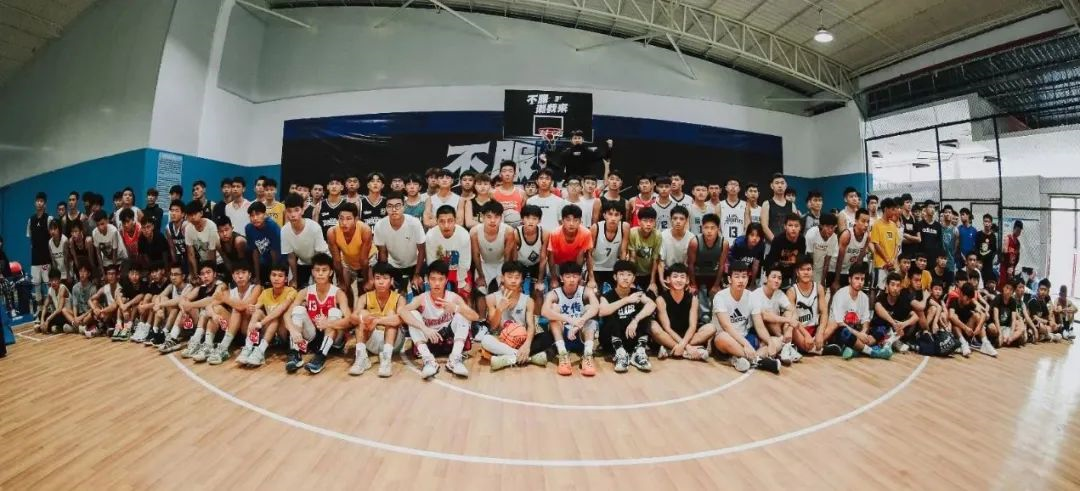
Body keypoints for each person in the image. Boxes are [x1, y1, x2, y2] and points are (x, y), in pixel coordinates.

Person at [401, 259, 481, 378]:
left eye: (440, 279)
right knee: (412, 314)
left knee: (461, 313)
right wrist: (424, 328)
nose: (437, 283)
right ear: (428, 280)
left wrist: (456, 308)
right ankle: (429, 361)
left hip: (449, 341)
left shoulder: (453, 297)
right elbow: (402, 311)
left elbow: (475, 316)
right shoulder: (421, 298)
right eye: (433, 279)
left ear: (446, 280)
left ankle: (454, 360)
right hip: (430, 340)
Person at [283, 253, 352, 374]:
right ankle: (295, 354)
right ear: (312, 272)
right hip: (313, 336)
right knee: (298, 310)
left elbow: (349, 320)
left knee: (335, 312)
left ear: (330, 272)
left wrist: (329, 323)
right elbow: (286, 315)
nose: (320, 273)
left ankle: (321, 357)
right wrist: (293, 330)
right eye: (317, 270)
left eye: (324, 270)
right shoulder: (305, 292)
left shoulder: (338, 293)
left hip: (334, 339)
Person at [478, 261, 551, 371]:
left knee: (547, 337)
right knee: (486, 340)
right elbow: (493, 327)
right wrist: (499, 309)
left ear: (522, 279)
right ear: (502, 278)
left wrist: (526, 345)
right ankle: (527, 358)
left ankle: (507, 358)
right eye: (510, 277)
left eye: (517, 277)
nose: (513, 280)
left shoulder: (528, 300)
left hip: (521, 340)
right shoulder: (491, 298)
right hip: (502, 340)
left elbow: (531, 326)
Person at [710, 262, 781, 374]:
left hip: (745, 338)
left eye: (744, 277)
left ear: (748, 279)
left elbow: (759, 326)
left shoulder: (752, 296)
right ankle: (759, 360)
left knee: (777, 341)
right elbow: (727, 327)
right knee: (721, 337)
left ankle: (741, 359)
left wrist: (770, 342)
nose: (741, 280)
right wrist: (745, 345)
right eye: (737, 276)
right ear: (729, 279)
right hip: (727, 340)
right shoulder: (720, 297)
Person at [541, 262, 601, 376]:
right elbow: (544, 311)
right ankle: (562, 354)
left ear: (579, 277)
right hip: (562, 334)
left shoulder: (586, 291)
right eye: (568, 276)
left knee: (589, 310)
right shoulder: (554, 293)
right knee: (554, 309)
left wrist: (578, 324)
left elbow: (596, 307)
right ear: (561, 278)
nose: (572, 280)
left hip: (580, 334)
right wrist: (570, 320)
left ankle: (587, 355)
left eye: (575, 276)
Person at [821, 264, 892, 360]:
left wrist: (863, 332)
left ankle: (855, 349)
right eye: (857, 279)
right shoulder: (840, 294)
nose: (860, 282)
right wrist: (859, 335)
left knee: (882, 326)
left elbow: (866, 321)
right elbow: (839, 323)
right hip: (840, 333)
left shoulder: (864, 297)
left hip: (856, 333)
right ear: (850, 279)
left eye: (862, 279)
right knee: (844, 331)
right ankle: (872, 352)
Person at [349, 262, 407, 377]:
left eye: (385, 278)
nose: (381, 282)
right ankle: (361, 358)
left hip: (394, 342)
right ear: (373, 280)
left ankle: (386, 361)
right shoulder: (364, 297)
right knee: (362, 314)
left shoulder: (399, 298)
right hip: (372, 340)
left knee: (392, 315)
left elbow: (399, 320)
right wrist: (364, 319)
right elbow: (352, 318)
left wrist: (377, 320)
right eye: (377, 278)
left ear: (391, 280)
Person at [598, 260, 656, 373]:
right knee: (611, 315)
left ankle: (639, 352)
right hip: (611, 340)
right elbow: (602, 311)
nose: (625, 278)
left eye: (629, 275)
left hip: (631, 337)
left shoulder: (638, 293)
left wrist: (636, 320)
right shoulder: (606, 296)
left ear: (633, 278)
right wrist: (627, 300)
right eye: (621, 274)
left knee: (645, 313)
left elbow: (652, 305)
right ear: (615, 277)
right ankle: (620, 354)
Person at [237, 263, 296, 368]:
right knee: (257, 312)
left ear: (286, 279)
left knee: (275, 317)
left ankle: (260, 351)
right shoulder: (265, 292)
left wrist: (261, 323)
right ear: (269, 276)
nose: (276, 278)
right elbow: (257, 306)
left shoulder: (291, 291)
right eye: (273, 275)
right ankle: (248, 347)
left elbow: (281, 309)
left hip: (283, 334)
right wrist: (252, 308)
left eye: (280, 276)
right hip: (269, 333)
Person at [203, 263, 262, 365]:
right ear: (233, 276)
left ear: (249, 275)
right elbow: (208, 306)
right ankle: (208, 346)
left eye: (243, 273)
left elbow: (243, 306)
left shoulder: (256, 288)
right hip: (234, 332)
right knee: (217, 309)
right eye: (237, 273)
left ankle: (224, 347)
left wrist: (225, 298)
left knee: (237, 309)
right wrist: (214, 315)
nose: (240, 276)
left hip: (250, 332)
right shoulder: (230, 292)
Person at [652, 263, 713, 360]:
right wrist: (687, 347)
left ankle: (671, 350)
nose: (679, 280)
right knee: (653, 327)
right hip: (668, 335)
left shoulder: (693, 299)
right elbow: (667, 328)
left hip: (687, 335)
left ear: (687, 280)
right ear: (668, 279)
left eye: (682, 277)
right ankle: (686, 352)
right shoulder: (661, 300)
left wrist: (683, 343)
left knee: (711, 328)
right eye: (675, 276)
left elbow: (692, 326)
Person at [375, 191, 427, 294]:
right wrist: (386, 275)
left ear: (404, 207)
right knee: (396, 294)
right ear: (386, 208)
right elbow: (382, 253)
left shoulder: (414, 223)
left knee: (419, 290)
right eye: (390, 206)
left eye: (397, 206)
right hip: (394, 264)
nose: (394, 209)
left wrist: (417, 274)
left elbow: (422, 251)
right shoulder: (380, 225)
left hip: (415, 263)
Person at [281, 193, 330, 289]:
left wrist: (316, 277)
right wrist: (295, 279)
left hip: (323, 260)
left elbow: (319, 254)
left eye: (296, 210)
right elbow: (291, 257)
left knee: (319, 287)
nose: (293, 215)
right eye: (289, 211)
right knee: (298, 288)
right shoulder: (284, 230)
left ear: (303, 210)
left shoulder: (314, 227)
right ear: (286, 212)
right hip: (303, 262)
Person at [753, 264, 800, 365]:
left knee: (788, 313)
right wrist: (789, 321)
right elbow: (765, 316)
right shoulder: (756, 294)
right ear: (766, 278)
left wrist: (790, 330)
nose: (777, 280)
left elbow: (794, 311)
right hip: (760, 330)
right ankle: (786, 345)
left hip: (776, 331)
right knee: (770, 317)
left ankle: (785, 345)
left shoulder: (779, 293)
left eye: (779, 278)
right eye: (773, 277)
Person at [424, 205, 473, 299]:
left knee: (464, 296)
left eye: (450, 221)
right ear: (436, 221)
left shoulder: (463, 235)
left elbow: (465, 264)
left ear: (455, 220)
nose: (446, 225)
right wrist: (442, 281)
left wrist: (457, 283)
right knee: (433, 297)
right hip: (439, 273)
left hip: (459, 271)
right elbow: (431, 263)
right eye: (442, 221)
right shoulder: (430, 235)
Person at [325, 202, 371, 296]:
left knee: (365, 289)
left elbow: (364, 260)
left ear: (356, 219)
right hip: (348, 261)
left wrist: (367, 280)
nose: (344, 223)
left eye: (348, 218)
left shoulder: (365, 230)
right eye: (341, 218)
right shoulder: (332, 232)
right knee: (343, 290)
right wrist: (341, 281)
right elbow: (337, 260)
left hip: (368, 261)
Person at [471, 201, 516, 297]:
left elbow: (507, 255)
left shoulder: (508, 231)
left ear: (501, 218)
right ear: (482, 217)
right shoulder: (474, 232)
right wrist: (481, 276)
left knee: (503, 292)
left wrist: (504, 275)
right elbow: (476, 255)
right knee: (480, 292)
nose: (492, 220)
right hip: (483, 264)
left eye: (496, 217)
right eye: (489, 217)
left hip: (502, 264)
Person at [788, 257, 828, 355]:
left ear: (812, 271)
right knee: (790, 326)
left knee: (833, 322)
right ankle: (819, 349)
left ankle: (813, 347)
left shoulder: (819, 288)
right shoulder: (792, 291)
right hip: (800, 330)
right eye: (802, 270)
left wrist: (820, 332)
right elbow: (793, 319)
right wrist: (806, 335)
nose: (806, 272)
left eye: (809, 269)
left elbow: (824, 313)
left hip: (814, 329)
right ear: (797, 272)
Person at [147, 264, 191, 348]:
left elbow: (179, 300)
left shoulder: (189, 287)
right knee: (162, 298)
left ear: (183, 276)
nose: (173, 277)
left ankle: (165, 332)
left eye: (176, 274)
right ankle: (155, 330)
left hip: (185, 323)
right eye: (171, 274)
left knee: (175, 307)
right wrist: (158, 310)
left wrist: (159, 305)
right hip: (172, 321)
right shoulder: (171, 286)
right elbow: (159, 296)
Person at [512, 204, 549, 306]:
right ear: (522, 219)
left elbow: (543, 259)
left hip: (536, 265)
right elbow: (514, 258)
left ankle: (537, 313)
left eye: (534, 218)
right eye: (527, 218)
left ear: (539, 220)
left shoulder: (544, 233)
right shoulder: (516, 233)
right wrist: (516, 278)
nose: (531, 221)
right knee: (516, 289)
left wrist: (540, 281)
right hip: (520, 265)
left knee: (538, 291)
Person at [872, 272, 918, 353]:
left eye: (898, 285)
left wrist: (904, 324)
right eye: (892, 285)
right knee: (879, 332)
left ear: (901, 287)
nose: (895, 288)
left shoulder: (903, 300)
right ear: (887, 286)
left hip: (896, 331)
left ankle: (892, 341)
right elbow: (878, 308)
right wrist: (894, 323)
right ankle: (889, 342)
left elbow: (915, 317)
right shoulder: (881, 297)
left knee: (910, 323)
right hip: (879, 328)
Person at [590, 201, 629, 295]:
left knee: (616, 294)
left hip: (613, 269)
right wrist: (591, 278)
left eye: (616, 215)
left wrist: (621, 274)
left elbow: (623, 252)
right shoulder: (595, 228)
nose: (613, 218)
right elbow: (589, 254)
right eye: (610, 214)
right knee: (595, 293)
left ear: (621, 216)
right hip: (596, 268)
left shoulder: (625, 227)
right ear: (604, 215)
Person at [949, 282, 997, 357]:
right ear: (961, 293)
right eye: (967, 299)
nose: (968, 301)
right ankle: (963, 343)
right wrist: (965, 328)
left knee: (977, 316)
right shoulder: (954, 301)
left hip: (968, 332)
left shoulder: (970, 302)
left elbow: (983, 314)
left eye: (969, 299)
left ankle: (985, 343)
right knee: (955, 318)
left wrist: (979, 327)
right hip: (956, 333)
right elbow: (951, 316)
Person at [244, 201, 283, 286]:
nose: (255, 218)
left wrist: (273, 276)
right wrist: (257, 277)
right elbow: (255, 252)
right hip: (264, 260)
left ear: (265, 214)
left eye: (258, 214)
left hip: (280, 260)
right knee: (247, 250)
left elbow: (274, 253)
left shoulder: (272, 227)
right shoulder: (248, 228)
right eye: (252, 215)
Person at [833, 208, 870, 292]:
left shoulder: (867, 237)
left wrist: (857, 277)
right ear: (856, 221)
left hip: (849, 270)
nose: (866, 224)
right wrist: (836, 281)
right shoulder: (847, 235)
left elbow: (859, 260)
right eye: (863, 221)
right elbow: (839, 259)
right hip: (836, 269)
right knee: (836, 294)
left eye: (868, 222)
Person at [763, 213, 804, 287]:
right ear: (785, 226)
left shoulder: (802, 240)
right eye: (790, 225)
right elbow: (772, 261)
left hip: (792, 273)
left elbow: (800, 261)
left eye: (796, 226)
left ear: (800, 227)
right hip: (777, 270)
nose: (793, 228)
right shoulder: (778, 240)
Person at [626, 206, 661, 293]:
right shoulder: (633, 232)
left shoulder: (657, 235)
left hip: (650, 273)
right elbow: (632, 258)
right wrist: (632, 279)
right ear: (639, 221)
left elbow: (655, 259)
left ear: (655, 222)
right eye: (645, 221)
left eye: (651, 221)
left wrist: (652, 281)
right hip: (636, 273)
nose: (648, 224)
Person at [28, 192, 53, 309]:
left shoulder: (49, 219)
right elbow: (30, 237)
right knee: (36, 285)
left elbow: (52, 237)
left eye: (41, 201)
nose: (39, 203)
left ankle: (51, 308)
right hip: (35, 259)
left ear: (45, 204)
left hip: (46, 259)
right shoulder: (31, 220)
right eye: (37, 201)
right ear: (35, 203)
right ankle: (39, 309)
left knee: (49, 285)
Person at [870, 198, 901, 292]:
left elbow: (897, 245)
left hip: (892, 265)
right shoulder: (877, 224)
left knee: (891, 290)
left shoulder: (893, 225)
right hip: (880, 265)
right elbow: (876, 244)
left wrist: (893, 260)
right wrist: (887, 260)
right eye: (892, 209)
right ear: (886, 209)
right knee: (877, 290)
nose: (894, 212)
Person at [724, 222, 766, 290]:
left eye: (758, 236)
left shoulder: (761, 245)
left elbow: (756, 265)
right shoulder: (739, 243)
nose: (755, 238)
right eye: (752, 235)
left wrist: (752, 284)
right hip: (732, 263)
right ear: (747, 235)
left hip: (747, 267)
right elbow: (734, 264)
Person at [182, 201, 219, 277]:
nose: (192, 217)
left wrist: (210, 274)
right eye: (190, 215)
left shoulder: (211, 226)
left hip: (218, 262)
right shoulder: (188, 229)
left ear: (201, 213)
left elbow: (212, 253)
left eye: (195, 214)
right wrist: (195, 274)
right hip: (203, 263)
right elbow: (191, 254)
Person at [87, 265, 125, 338]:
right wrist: (95, 309)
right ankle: (101, 327)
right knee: (95, 302)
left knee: (115, 308)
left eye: (113, 274)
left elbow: (114, 306)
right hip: (107, 315)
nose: (111, 276)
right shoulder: (105, 288)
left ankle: (106, 327)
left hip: (117, 315)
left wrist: (101, 311)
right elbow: (89, 300)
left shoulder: (120, 288)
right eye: (109, 274)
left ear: (117, 275)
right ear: (106, 276)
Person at [803, 213, 838, 287]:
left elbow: (827, 261)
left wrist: (822, 281)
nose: (830, 230)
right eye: (827, 227)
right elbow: (809, 257)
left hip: (821, 271)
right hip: (808, 268)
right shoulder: (811, 234)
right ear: (821, 225)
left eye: (832, 227)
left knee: (820, 289)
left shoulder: (834, 238)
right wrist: (809, 277)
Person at [92, 211, 128, 279]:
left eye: (102, 224)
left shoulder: (113, 231)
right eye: (97, 225)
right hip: (107, 259)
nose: (100, 227)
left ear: (107, 221)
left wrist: (114, 272)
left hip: (120, 257)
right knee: (105, 277)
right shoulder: (94, 233)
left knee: (117, 277)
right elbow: (98, 254)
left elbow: (115, 253)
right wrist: (103, 272)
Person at [759, 173, 793, 243]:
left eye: (782, 183)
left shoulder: (792, 205)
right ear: (772, 186)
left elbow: (794, 226)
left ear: (786, 185)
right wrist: (776, 242)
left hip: (788, 244)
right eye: (777, 183)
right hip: (771, 244)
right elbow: (764, 226)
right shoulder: (766, 204)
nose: (780, 185)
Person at [64, 264, 97, 335]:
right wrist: (76, 317)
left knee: (92, 315)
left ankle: (76, 327)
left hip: (87, 314)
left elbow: (93, 308)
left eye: (84, 271)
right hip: (79, 314)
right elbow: (75, 305)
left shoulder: (93, 288)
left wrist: (81, 317)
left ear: (89, 274)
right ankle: (78, 326)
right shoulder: (75, 287)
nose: (82, 274)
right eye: (80, 271)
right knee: (64, 310)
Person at [991, 279, 1025, 348]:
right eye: (1007, 288)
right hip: (997, 326)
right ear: (1003, 288)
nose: (1008, 291)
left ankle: (1006, 340)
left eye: (1011, 289)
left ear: (1013, 292)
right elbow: (995, 318)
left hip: (1006, 327)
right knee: (992, 328)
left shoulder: (1013, 301)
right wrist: (1000, 333)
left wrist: (1011, 334)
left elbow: (1013, 319)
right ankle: (1008, 341)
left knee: (1021, 328)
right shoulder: (998, 298)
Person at [36, 269, 69, 334]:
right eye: (51, 280)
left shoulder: (62, 288)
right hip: (57, 315)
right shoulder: (50, 290)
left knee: (57, 317)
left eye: (55, 280)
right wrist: (42, 320)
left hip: (66, 315)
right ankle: (50, 327)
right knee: (40, 313)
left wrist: (48, 320)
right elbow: (45, 306)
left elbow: (59, 309)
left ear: (59, 280)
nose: (53, 282)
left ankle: (48, 327)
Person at [718, 178, 745, 245]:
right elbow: (716, 227)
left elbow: (747, 227)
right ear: (726, 188)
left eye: (735, 185)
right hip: (724, 243)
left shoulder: (745, 205)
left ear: (739, 189)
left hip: (740, 244)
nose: (733, 187)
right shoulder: (719, 205)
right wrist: (723, 241)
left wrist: (740, 241)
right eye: (730, 184)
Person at [975, 213, 998, 285]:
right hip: (979, 263)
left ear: (991, 223)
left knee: (987, 282)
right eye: (985, 221)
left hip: (988, 265)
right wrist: (978, 261)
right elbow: (976, 248)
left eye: (988, 222)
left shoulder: (993, 236)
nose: (987, 223)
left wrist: (991, 261)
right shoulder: (978, 234)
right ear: (983, 222)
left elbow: (994, 251)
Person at [165, 200, 187, 274]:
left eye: (177, 211)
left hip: (194, 257)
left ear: (183, 214)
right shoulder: (168, 228)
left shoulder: (186, 226)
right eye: (172, 210)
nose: (173, 213)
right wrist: (175, 266)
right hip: (181, 257)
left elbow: (191, 251)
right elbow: (172, 249)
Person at [1000, 220, 1023, 289]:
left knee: (1010, 286)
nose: (1018, 232)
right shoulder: (1007, 238)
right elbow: (1004, 252)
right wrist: (1008, 267)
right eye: (1017, 230)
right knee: (1003, 285)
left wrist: (1012, 267)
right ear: (1014, 229)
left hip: (1012, 268)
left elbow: (1017, 257)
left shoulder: (1018, 243)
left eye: (1020, 231)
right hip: (1005, 266)